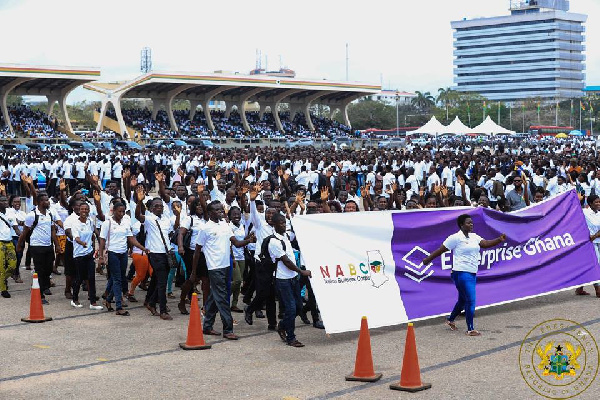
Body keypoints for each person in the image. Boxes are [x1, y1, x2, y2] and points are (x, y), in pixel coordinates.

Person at [422, 214, 506, 336]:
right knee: (471, 300)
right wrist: (427, 260)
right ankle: (470, 329)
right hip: (460, 272)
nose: (471, 225)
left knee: (462, 300)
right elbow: (441, 250)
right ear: (461, 225)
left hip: (472, 272)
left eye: (472, 223)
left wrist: (499, 240)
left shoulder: (474, 237)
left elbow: (485, 244)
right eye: (468, 223)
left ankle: (450, 320)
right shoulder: (455, 238)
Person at [194, 200, 255, 340]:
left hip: (226, 266)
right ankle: (228, 329)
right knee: (222, 298)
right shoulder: (205, 228)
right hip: (214, 268)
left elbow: (237, 243)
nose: (221, 211)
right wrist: (194, 273)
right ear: (209, 213)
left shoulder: (225, 225)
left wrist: (249, 241)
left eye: (221, 209)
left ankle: (207, 326)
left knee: (214, 297)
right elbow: (197, 251)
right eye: (217, 210)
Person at [269, 213, 312, 347]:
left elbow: (298, 231)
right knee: (291, 308)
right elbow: (286, 261)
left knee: (298, 307)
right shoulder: (274, 241)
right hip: (283, 280)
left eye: (285, 223)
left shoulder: (286, 236)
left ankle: (282, 326)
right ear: (274, 225)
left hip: (292, 278)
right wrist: (301, 271)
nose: (284, 225)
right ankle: (291, 337)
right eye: (281, 223)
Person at [98, 202, 149, 315]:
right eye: (119, 211)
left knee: (119, 277)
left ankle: (108, 299)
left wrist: (142, 248)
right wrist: (101, 256)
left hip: (123, 253)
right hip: (112, 253)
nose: (121, 214)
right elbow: (102, 240)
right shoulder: (108, 223)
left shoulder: (125, 223)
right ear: (114, 211)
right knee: (117, 280)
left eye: (123, 211)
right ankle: (118, 307)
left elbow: (131, 238)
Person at [135, 185, 174, 320]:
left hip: (166, 253)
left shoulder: (166, 219)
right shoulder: (149, 219)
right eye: (156, 206)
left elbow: (173, 228)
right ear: (151, 208)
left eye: (161, 206)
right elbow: (138, 216)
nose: (159, 208)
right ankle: (162, 310)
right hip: (155, 254)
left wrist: (179, 215)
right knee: (162, 282)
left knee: (157, 279)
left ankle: (151, 302)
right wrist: (139, 201)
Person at [16, 192, 62, 305]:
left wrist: (57, 245)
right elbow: (25, 231)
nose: (48, 202)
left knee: (48, 270)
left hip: (48, 246)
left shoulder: (49, 214)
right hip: (36, 246)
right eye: (45, 200)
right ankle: (40, 294)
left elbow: (52, 230)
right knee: (40, 270)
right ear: (40, 202)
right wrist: (19, 245)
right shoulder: (32, 215)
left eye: (48, 200)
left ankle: (41, 286)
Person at [70, 203, 102, 310]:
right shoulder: (75, 223)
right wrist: (82, 243)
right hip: (79, 255)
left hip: (89, 254)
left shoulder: (90, 222)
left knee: (91, 278)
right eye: (82, 209)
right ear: (79, 210)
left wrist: (99, 240)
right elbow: (76, 238)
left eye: (86, 209)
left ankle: (93, 302)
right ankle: (74, 299)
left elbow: (95, 232)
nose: (84, 211)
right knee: (79, 278)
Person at [578, 194, 600, 297]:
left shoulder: (599, 214)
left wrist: (595, 235)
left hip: (597, 240)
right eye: (596, 202)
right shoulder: (585, 212)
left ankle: (579, 288)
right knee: (596, 265)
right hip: (590, 244)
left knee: (587, 266)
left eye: (599, 202)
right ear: (590, 204)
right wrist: (578, 200)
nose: (598, 204)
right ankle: (598, 290)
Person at [0, 195, 18, 298]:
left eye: (6, 200)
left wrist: (21, 234)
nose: (5, 202)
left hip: (9, 242)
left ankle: (2, 280)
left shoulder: (10, 213)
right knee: (1, 268)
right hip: (0, 243)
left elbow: (15, 227)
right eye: (2, 201)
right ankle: (3, 289)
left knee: (12, 265)